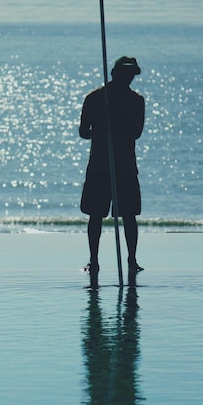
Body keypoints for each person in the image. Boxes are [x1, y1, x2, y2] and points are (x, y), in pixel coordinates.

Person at [79, 56, 145, 288]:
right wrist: (101, 120)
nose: (128, 79)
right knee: (95, 214)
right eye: (124, 74)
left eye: (131, 75)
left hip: (125, 165)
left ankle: (132, 259)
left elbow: (136, 132)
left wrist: (114, 117)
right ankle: (93, 260)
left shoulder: (137, 101)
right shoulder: (95, 99)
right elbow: (83, 132)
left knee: (129, 215)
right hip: (100, 164)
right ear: (114, 74)